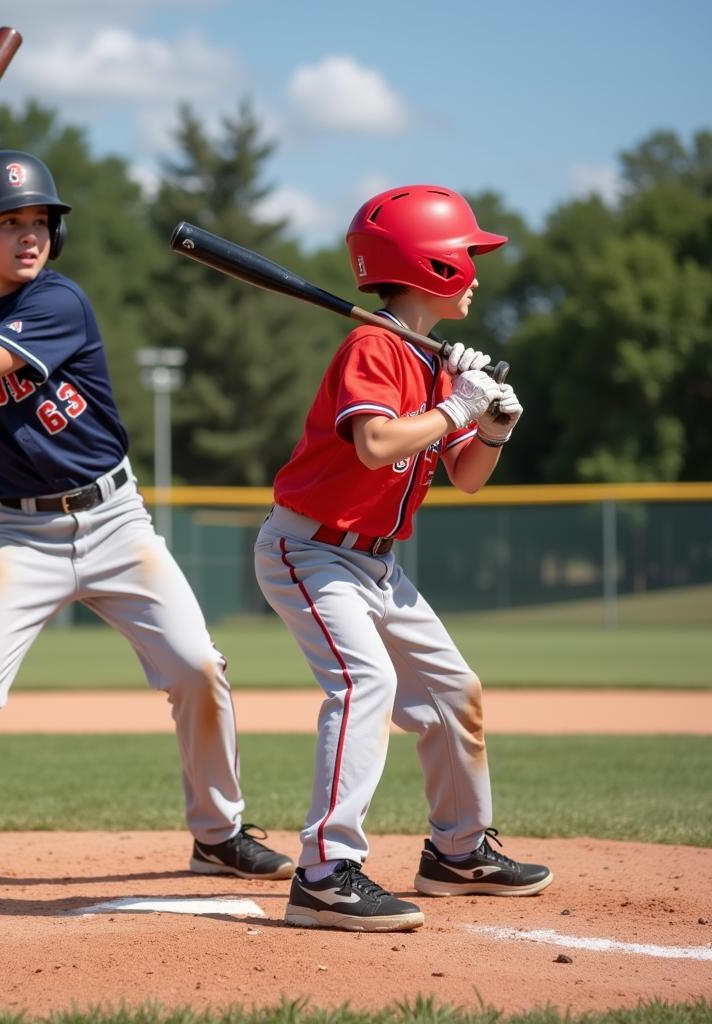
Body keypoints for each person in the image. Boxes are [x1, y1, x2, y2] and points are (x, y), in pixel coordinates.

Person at [0, 150, 293, 889]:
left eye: (41, 220)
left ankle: (219, 834)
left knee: (199, 668)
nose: (32, 234)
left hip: (115, 523)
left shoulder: (58, 303)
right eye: (11, 222)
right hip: (21, 535)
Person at [253, 185, 552, 932]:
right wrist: (457, 406)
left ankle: (458, 850)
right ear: (430, 264)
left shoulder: (429, 361)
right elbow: (376, 443)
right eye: (465, 256)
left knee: (454, 691)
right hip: (312, 550)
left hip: (380, 566)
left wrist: (490, 425)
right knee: (365, 682)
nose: (476, 272)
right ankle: (323, 872)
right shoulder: (376, 345)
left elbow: (466, 477)